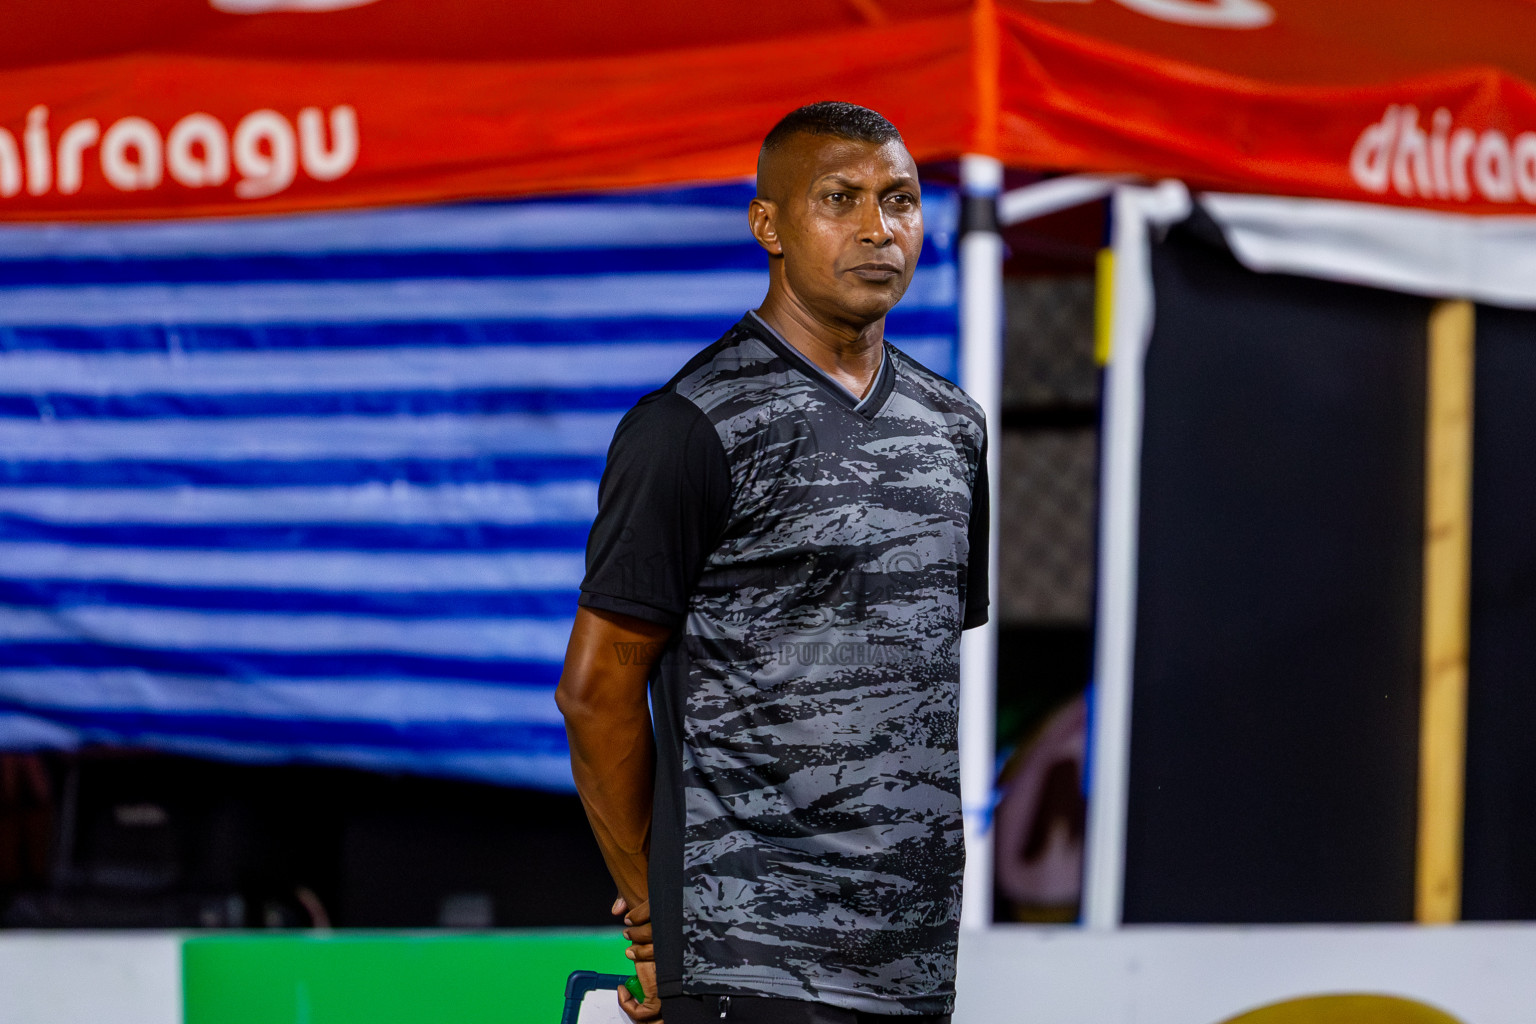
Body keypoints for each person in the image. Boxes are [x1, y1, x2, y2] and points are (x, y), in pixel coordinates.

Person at [555, 101, 989, 1024]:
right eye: (841, 198)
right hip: (748, 957)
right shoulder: (689, 426)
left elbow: (907, 677)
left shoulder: (954, 429)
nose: (880, 228)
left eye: (901, 200)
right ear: (769, 226)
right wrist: (653, 914)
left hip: (914, 960)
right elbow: (597, 688)